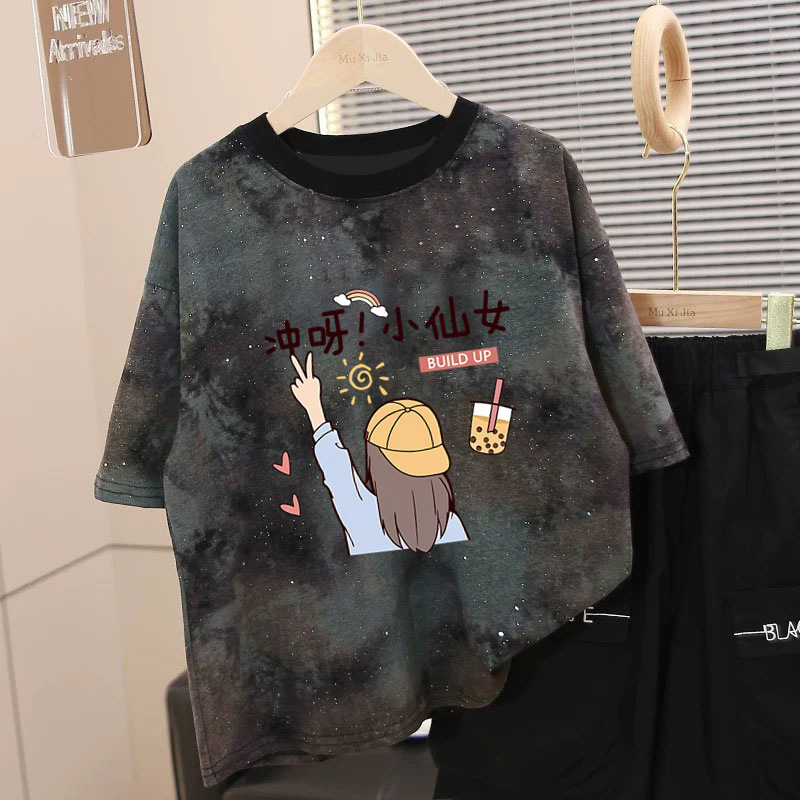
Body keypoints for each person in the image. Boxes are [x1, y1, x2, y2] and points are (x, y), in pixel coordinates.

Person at [289, 351, 470, 556]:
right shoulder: (451, 524)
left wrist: (314, 407)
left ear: (377, 463)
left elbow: (337, 468)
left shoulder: (363, 517)